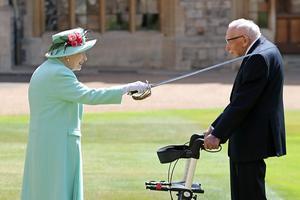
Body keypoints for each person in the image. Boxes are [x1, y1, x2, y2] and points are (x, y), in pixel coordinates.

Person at [21, 27, 150, 200]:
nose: (84, 58)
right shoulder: (59, 73)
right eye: (81, 53)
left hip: (47, 142)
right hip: (57, 144)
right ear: (68, 54)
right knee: (57, 191)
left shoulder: (45, 69)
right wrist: (127, 88)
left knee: (45, 189)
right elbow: (90, 95)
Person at [203, 19, 286, 200]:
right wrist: (215, 126)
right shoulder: (264, 49)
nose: (227, 47)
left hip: (252, 138)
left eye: (229, 41)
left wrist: (218, 135)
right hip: (251, 137)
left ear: (244, 39)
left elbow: (243, 103)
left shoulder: (258, 57)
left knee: (249, 194)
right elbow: (241, 100)